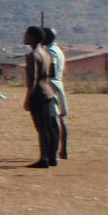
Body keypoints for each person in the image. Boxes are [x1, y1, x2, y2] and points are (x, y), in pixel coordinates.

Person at [22, 25, 59, 168]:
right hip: (48, 92)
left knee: (42, 128)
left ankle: (43, 159)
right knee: (50, 126)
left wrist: (27, 98)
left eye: (26, 34)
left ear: (32, 37)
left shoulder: (33, 55)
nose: (24, 37)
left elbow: (34, 79)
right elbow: (51, 74)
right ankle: (52, 156)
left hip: (38, 95)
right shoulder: (46, 53)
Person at [43, 26, 69, 161]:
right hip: (59, 84)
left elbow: (51, 69)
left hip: (51, 85)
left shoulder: (50, 51)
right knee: (61, 119)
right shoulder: (58, 50)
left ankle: (54, 151)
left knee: (53, 120)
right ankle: (64, 149)